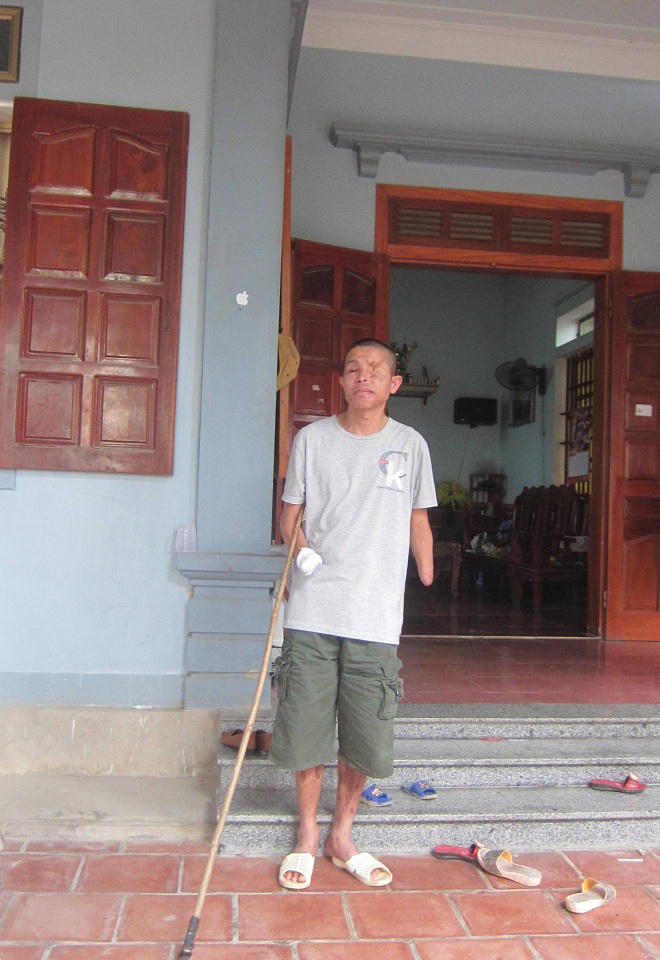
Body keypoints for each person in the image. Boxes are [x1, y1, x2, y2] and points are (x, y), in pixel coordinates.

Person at [270, 338, 436, 890]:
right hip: (313, 608)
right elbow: (289, 516)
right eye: (353, 369)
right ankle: (306, 836)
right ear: (340, 381)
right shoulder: (313, 440)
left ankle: (342, 835)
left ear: (394, 384)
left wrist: (427, 571)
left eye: (376, 370)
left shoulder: (410, 445)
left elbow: (418, 518)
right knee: (305, 726)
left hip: (375, 615)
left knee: (365, 732)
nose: (364, 377)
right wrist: (299, 548)